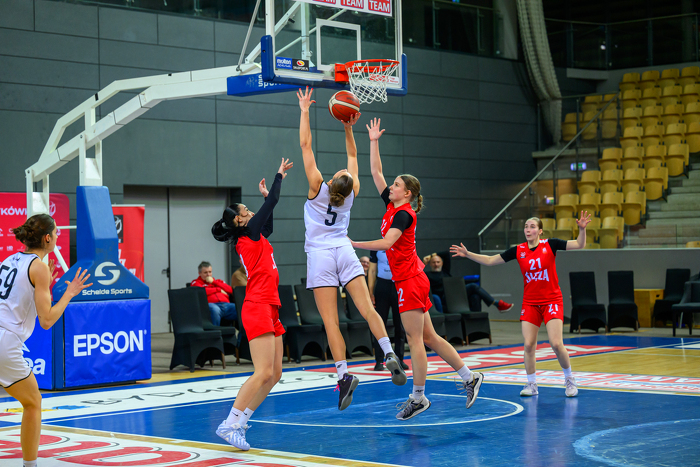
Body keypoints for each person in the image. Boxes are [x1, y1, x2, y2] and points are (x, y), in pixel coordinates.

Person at [351, 117, 483, 420]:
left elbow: (386, 243)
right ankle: (470, 377)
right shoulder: (392, 206)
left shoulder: (404, 215)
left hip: (410, 280)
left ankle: (419, 397)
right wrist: (373, 141)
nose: (392, 186)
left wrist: (353, 243)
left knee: (415, 340)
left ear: (407, 193)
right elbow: (376, 173)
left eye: (397, 185)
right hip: (412, 279)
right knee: (430, 337)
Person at [297, 87, 406, 411]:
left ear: (332, 181)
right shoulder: (352, 193)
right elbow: (354, 159)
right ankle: (389, 352)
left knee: (331, 322)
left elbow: (305, 145)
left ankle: (344, 375)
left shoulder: (317, 186)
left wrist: (305, 110)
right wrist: (348, 128)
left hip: (320, 255)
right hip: (345, 250)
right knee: (369, 310)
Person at [450, 213, 592, 398]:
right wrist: (468, 254)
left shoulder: (550, 244)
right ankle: (532, 384)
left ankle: (569, 379)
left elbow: (579, 244)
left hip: (551, 300)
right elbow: (491, 261)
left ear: (540, 231)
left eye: (532, 226)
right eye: (526, 226)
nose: (528, 229)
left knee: (556, 343)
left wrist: (582, 229)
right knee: (528, 345)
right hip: (531, 303)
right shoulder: (519, 250)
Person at [211, 158, 293, 450]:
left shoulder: (254, 234)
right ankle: (228, 424)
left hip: (270, 305)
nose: (250, 211)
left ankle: (240, 423)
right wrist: (278, 177)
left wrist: (265, 199)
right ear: (239, 220)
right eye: (246, 210)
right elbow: (272, 203)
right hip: (257, 304)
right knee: (262, 372)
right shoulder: (247, 235)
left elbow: (267, 221)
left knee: (275, 373)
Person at [0, 214, 91, 467]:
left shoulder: (10, 259)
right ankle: (30, 465)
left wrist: (44, 283)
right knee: (33, 403)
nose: (59, 236)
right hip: (5, 342)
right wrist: (69, 293)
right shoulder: (38, 267)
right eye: (57, 232)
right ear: (47, 238)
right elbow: (47, 320)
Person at [422, 252, 513, 313]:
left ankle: (476, 324)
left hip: (455, 294)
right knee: (473, 286)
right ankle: (496, 303)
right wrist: (424, 262)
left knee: (475, 295)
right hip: (445, 298)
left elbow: (446, 253)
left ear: (442, 263)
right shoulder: (427, 274)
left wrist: (431, 256)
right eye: (433, 262)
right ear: (430, 264)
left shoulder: (445, 271)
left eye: (438, 262)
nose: (436, 264)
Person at [367, 249, 409, 372]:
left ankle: (399, 359)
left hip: (399, 284)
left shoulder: (402, 244)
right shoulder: (376, 247)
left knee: (400, 325)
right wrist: (370, 292)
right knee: (379, 324)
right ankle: (379, 360)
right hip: (382, 285)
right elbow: (372, 270)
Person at [190, 261, 237, 326]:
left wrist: (214, 282)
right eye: (205, 272)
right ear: (199, 273)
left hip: (226, 305)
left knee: (241, 309)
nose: (208, 274)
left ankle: (243, 332)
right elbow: (201, 292)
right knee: (215, 309)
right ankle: (215, 332)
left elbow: (230, 290)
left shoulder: (218, 281)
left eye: (210, 272)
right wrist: (218, 289)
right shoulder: (196, 282)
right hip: (211, 305)